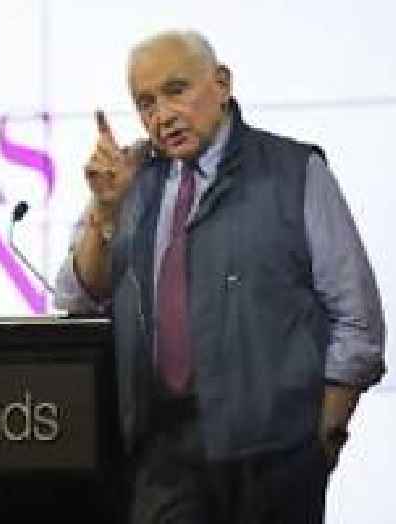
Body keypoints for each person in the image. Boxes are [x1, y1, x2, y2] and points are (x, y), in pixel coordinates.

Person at [55, 30, 386, 524]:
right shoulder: (130, 180)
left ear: (222, 83)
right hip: (164, 457)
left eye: (176, 91)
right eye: (146, 103)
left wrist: (325, 435)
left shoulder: (293, 171)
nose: (162, 115)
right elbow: (77, 295)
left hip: (276, 455)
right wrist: (106, 211)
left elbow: (357, 317)